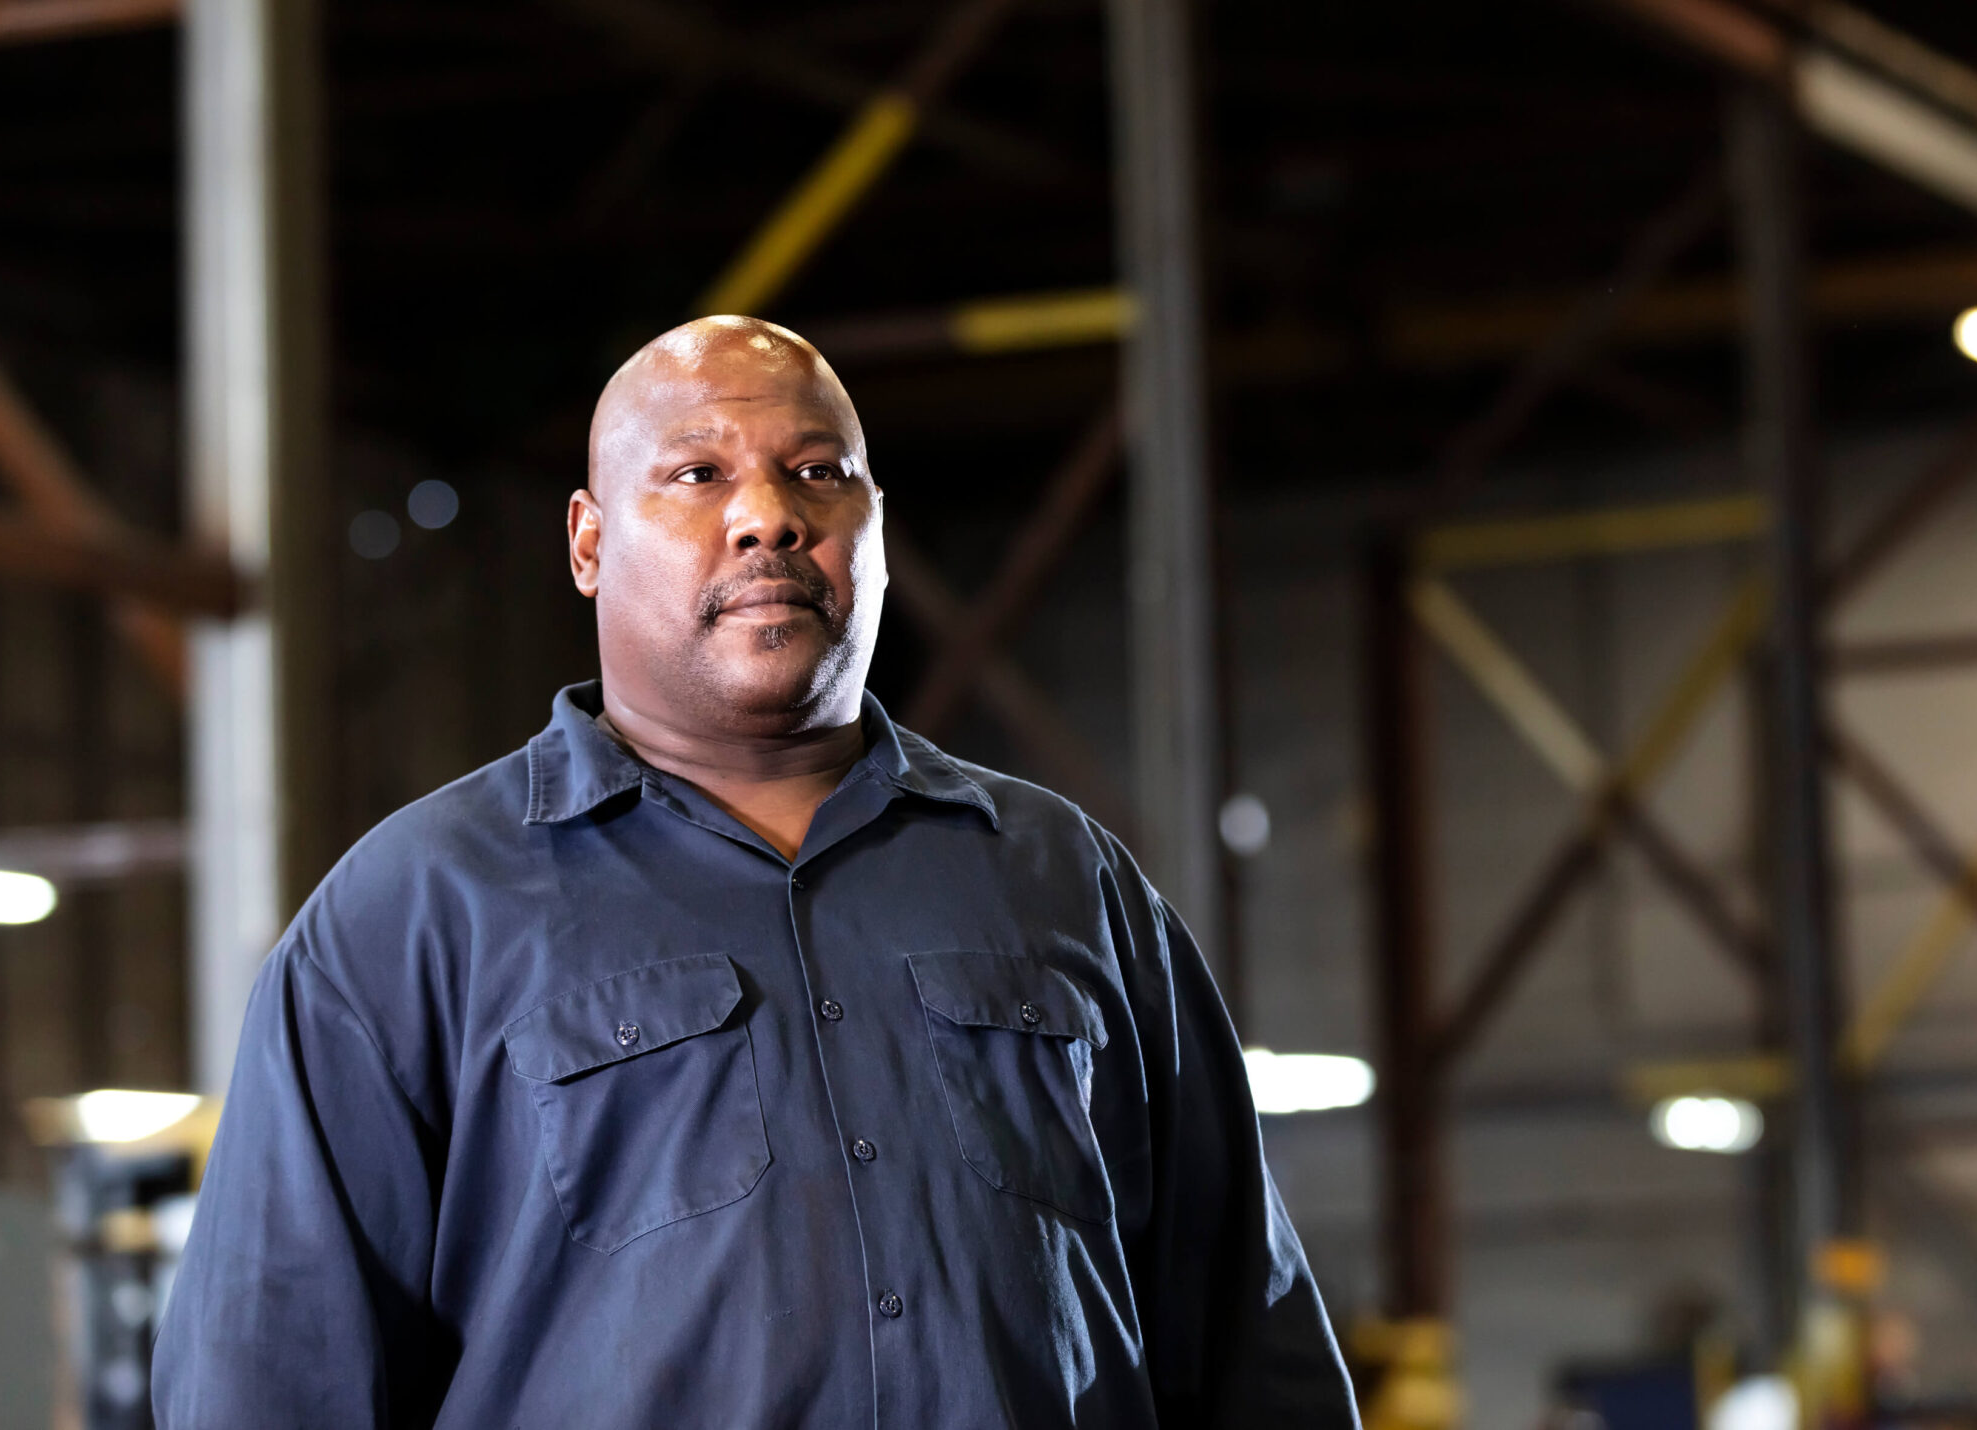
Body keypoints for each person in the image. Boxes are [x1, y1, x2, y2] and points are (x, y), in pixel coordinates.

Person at [152, 316, 1359, 1428]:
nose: (768, 515)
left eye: (818, 471)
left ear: (874, 522)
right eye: (697, 473)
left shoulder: (1062, 880)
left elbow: (1250, 1342)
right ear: (587, 540)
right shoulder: (410, 915)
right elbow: (267, 1379)